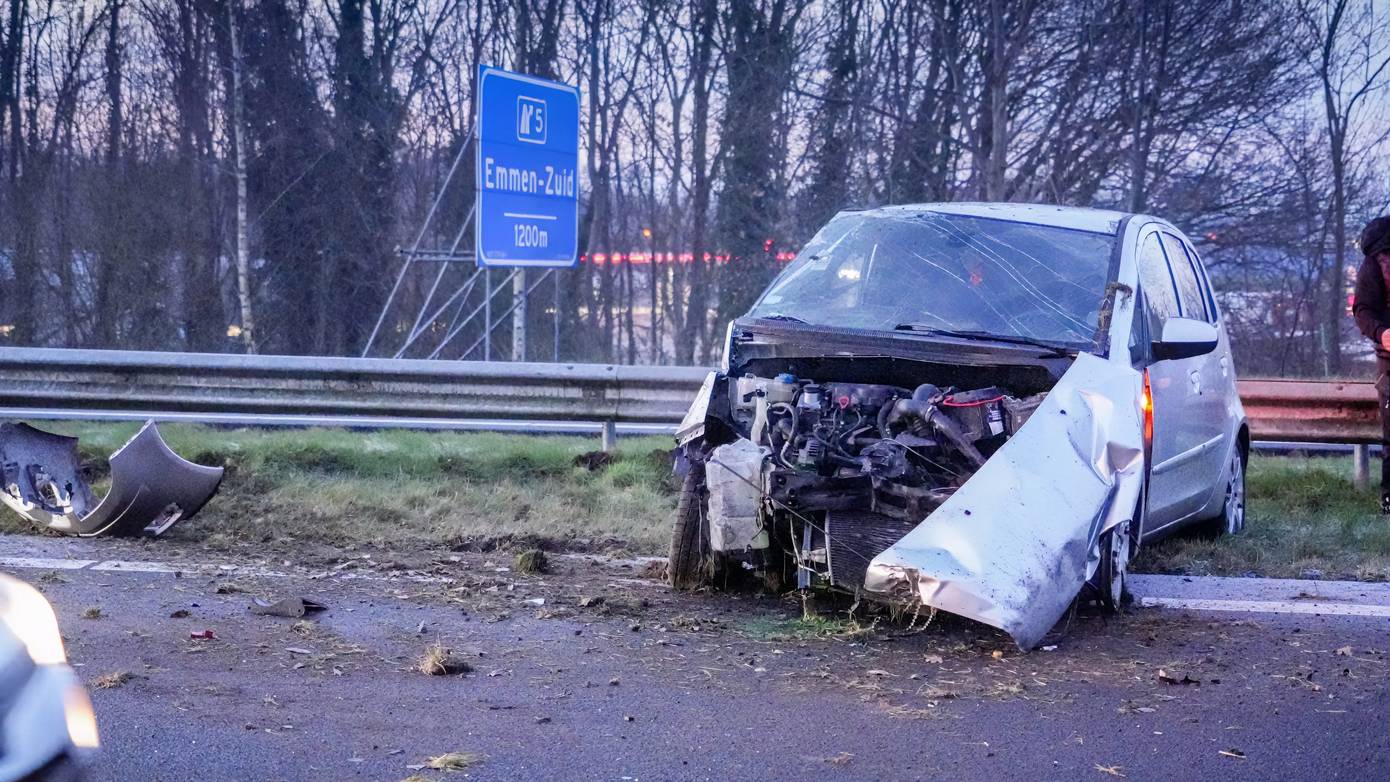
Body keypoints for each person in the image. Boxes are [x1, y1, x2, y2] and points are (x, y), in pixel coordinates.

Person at [1351, 215, 1390, 512]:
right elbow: (1363, 308)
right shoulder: (1374, 261)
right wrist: (1381, 333)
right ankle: (1389, 498)